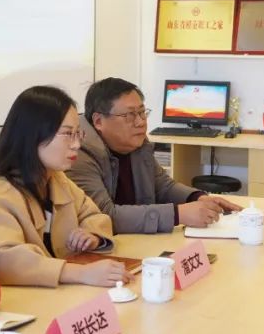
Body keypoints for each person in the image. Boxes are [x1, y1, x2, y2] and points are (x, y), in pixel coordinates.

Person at [0, 86, 127, 287]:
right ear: (33, 135)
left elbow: (93, 215)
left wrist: (93, 235)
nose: (76, 144)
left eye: (78, 133)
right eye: (67, 134)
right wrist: (81, 273)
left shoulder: (56, 179)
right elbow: (2, 261)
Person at [66, 77, 241, 234]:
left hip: (137, 239)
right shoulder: (78, 153)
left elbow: (162, 184)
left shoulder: (137, 142)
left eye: (142, 112)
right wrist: (178, 214)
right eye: (129, 115)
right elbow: (103, 216)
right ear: (98, 121)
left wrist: (198, 198)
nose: (141, 122)